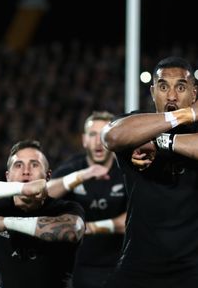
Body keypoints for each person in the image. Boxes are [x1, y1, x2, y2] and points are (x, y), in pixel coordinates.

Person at [100, 56, 198, 288]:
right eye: (163, 87)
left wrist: (162, 141)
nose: (172, 96)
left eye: (181, 87)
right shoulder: (135, 124)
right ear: (153, 92)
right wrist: (185, 115)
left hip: (195, 263)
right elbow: (111, 136)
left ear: (194, 93)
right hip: (138, 263)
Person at [0, 140, 85, 288]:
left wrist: (6, 223)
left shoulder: (65, 207)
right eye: (18, 165)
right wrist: (23, 188)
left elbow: (72, 231)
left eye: (34, 164)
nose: (26, 171)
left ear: (48, 176)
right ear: (8, 177)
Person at [46, 111, 126, 288]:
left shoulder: (125, 171)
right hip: (79, 265)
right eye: (92, 134)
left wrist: (89, 228)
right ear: (84, 140)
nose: (98, 141)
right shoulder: (74, 168)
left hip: (120, 264)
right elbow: (46, 193)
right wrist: (81, 176)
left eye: (104, 134)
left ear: (112, 139)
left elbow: (133, 220)